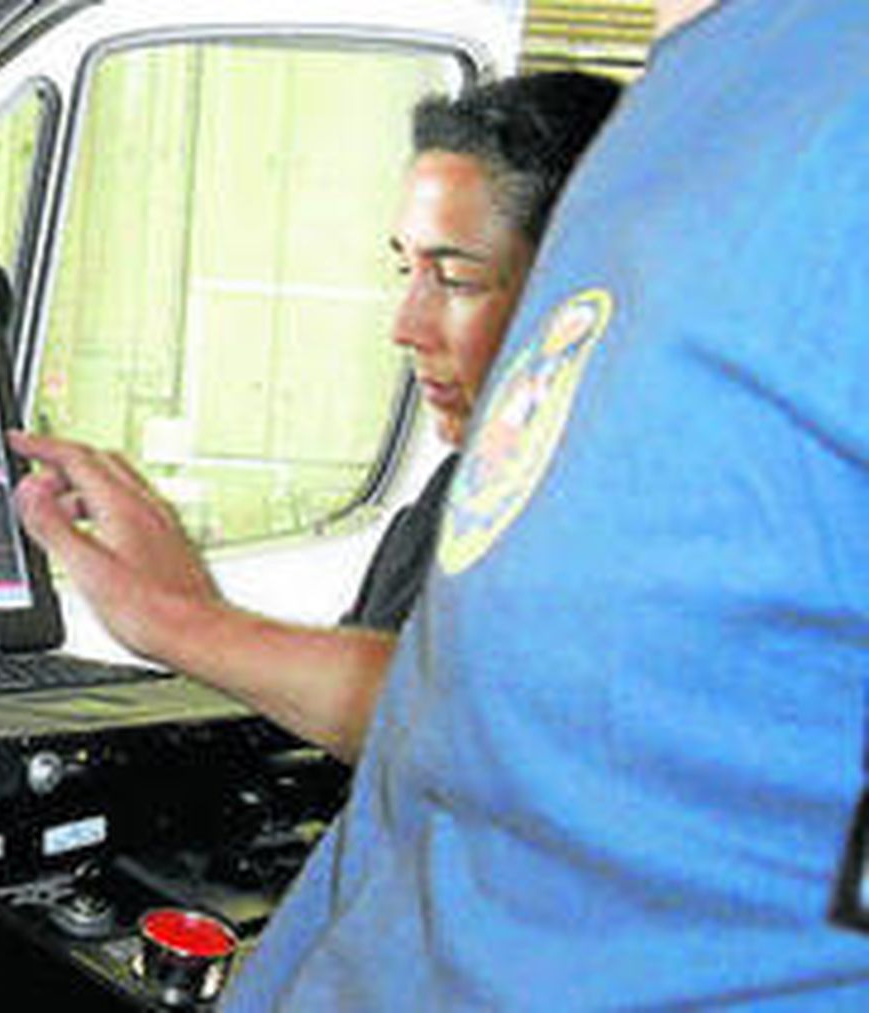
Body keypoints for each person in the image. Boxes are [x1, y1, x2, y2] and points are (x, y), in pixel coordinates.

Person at [215, 0, 869, 1006]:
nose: (410, 322)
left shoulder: (831, 121)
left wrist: (184, 618)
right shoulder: (690, 106)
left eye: (458, 276)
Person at [9, 70, 621, 759]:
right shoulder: (451, 500)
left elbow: (458, 719)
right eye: (406, 271)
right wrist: (189, 602)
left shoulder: (624, 530)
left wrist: (170, 618)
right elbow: (350, 724)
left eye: (455, 279)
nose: (407, 326)